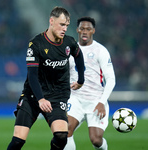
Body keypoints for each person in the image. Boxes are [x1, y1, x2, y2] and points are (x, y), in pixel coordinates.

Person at [7, 6, 85, 150]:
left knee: (62, 136)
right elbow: (32, 75)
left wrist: (81, 80)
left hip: (57, 96)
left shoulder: (69, 43)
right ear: (51, 21)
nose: (65, 29)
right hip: (33, 95)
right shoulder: (36, 44)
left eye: (67, 25)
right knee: (18, 140)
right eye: (62, 24)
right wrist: (40, 99)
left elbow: (79, 57)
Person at [64, 17, 116, 150]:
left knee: (96, 140)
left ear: (93, 31)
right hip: (75, 98)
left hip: (95, 101)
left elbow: (111, 79)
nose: (84, 32)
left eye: (88, 29)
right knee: (65, 131)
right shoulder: (69, 51)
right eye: (82, 29)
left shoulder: (101, 50)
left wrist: (102, 102)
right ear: (77, 30)